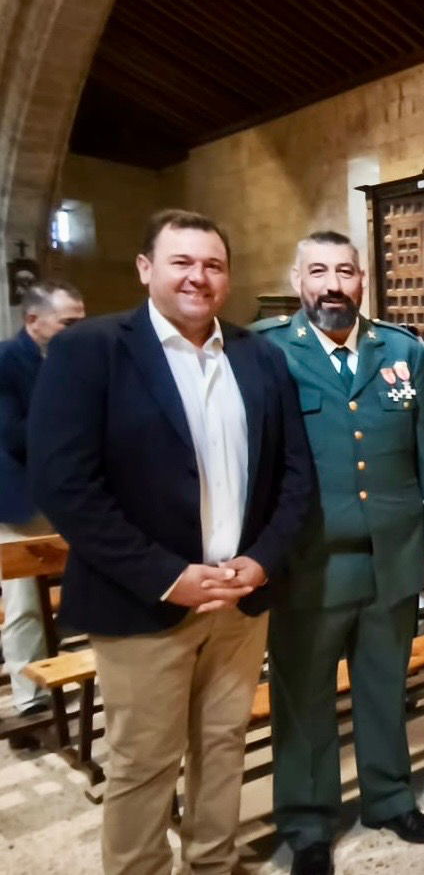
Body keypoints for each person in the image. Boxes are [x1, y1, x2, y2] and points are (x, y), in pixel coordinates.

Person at [26, 210, 315, 875]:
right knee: (143, 762)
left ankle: (214, 860)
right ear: (145, 268)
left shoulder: (258, 355)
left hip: (240, 597)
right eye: (181, 261)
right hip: (145, 601)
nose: (198, 276)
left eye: (213, 264)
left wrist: (261, 560)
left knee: (223, 744)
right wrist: (165, 573)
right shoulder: (91, 351)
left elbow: (295, 473)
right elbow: (67, 484)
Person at [253, 231, 424, 875]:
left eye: (345, 271)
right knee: (306, 696)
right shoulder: (266, 352)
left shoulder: (400, 350)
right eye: (319, 271)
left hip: (393, 555)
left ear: (363, 279)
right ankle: (310, 824)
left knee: (382, 685)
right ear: (298, 281)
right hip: (308, 562)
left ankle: (389, 796)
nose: (333, 284)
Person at [1, 280, 84, 739]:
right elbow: (11, 435)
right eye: (68, 321)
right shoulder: (6, 362)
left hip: (68, 493)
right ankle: (29, 694)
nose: (78, 329)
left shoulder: (68, 361)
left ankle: (73, 667)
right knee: (25, 603)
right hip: (21, 500)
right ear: (34, 321)